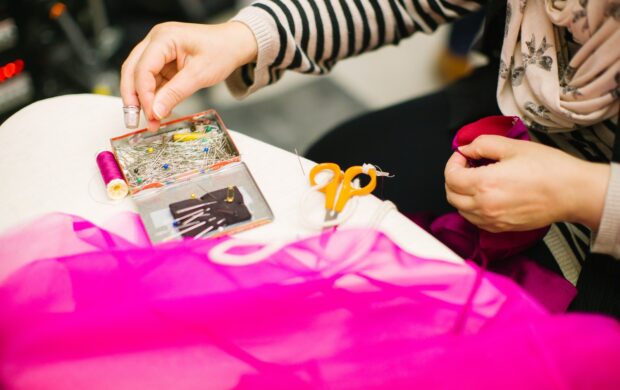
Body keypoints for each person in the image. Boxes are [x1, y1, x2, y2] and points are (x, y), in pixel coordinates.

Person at [120, 0, 620, 315]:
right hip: (504, 120)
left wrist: (585, 194)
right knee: (331, 168)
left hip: (603, 233)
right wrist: (245, 36)